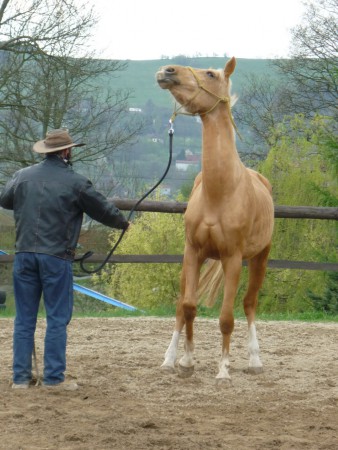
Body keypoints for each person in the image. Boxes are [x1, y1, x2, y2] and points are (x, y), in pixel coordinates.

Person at [0, 129, 130, 390]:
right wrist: (122, 223)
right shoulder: (77, 182)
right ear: (67, 152)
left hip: (24, 255)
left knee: (24, 319)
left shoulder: (21, 177)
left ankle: (21, 379)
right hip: (56, 257)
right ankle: (53, 379)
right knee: (57, 319)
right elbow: (103, 210)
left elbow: (5, 200)